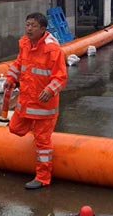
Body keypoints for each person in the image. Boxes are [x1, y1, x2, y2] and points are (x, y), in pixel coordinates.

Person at [5, 12, 68, 189]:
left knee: (43, 142)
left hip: (44, 107)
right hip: (26, 101)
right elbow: (19, 64)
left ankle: (43, 177)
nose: (29, 28)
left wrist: (50, 89)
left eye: (33, 25)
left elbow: (61, 77)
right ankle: (38, 133)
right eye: (27, 25)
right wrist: (11, 78)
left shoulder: (52, 49)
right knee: (14, 128)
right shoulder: (25, 43)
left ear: (43, 29)